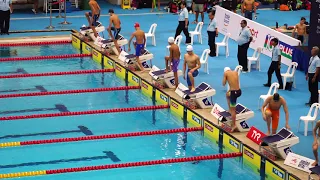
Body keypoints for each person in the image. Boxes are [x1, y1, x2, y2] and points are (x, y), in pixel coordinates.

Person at [223, 67, 242, 132]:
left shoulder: (226, 73)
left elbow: (223, 84)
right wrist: (229, 90)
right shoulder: (235, 72)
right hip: (239, 91)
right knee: (227, 95)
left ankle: (234, 125)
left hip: (233, 93)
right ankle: (230, 110)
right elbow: (235, 83)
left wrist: (225, 77)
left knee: (233, 110)